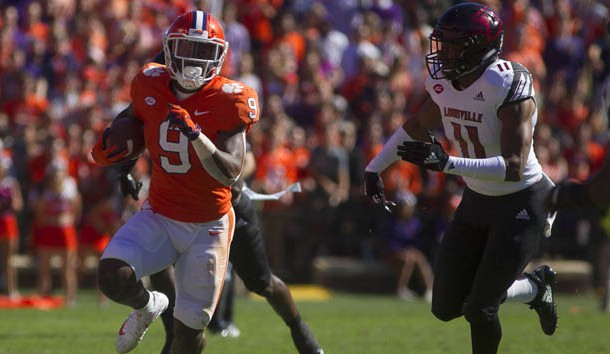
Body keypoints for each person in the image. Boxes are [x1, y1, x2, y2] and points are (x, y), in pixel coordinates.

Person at [364, 3, 557, 354]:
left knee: (481, 309)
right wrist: (375, 167)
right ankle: (535, 286)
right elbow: (418, 126)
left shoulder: (507, 82)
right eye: (443, 43)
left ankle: (528, 289)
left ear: (479, 48)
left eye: (454, 45)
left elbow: (513, 165)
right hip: (478, 199)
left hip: (523, 199)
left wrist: (447, 162)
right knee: (446, 307)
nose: (443, 53)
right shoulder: (443, 82)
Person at [91, 11, 260, 354]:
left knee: (189, 333)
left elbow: (231, 171)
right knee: (112, 274)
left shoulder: (231, 98)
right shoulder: (149, 82)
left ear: (219, 56)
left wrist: (197, 137)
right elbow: (133, 123)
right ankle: (148, 305)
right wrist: (123, 166)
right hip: (161, 213)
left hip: (208, 224)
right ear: (168, 50)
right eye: (186, 48)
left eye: (202, 51)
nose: (193, 60)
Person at [120, 147, 324, 354]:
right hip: (180, 210)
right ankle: (174, 335)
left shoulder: (219, 116)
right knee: (159, 264)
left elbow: (247, 161)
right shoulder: (167, 115)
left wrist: (221, 177)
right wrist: (125, 169)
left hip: (225, 211)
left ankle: (299, 328)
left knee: (262, 282)